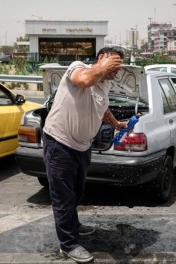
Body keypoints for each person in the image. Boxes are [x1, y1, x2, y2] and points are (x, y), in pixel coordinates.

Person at [43, 47, 127, 263]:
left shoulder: (105, 83)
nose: (117, 71)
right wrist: (103, 67)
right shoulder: (78, 68)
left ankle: (74, 226)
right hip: (60, 143)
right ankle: (68, 245)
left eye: (119, 67)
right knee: (63, 197)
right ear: (102, 58)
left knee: (77, 192)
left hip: (82, 146)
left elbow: (102, 107)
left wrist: (116, 123)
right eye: (114, 65)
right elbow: (83, 81)